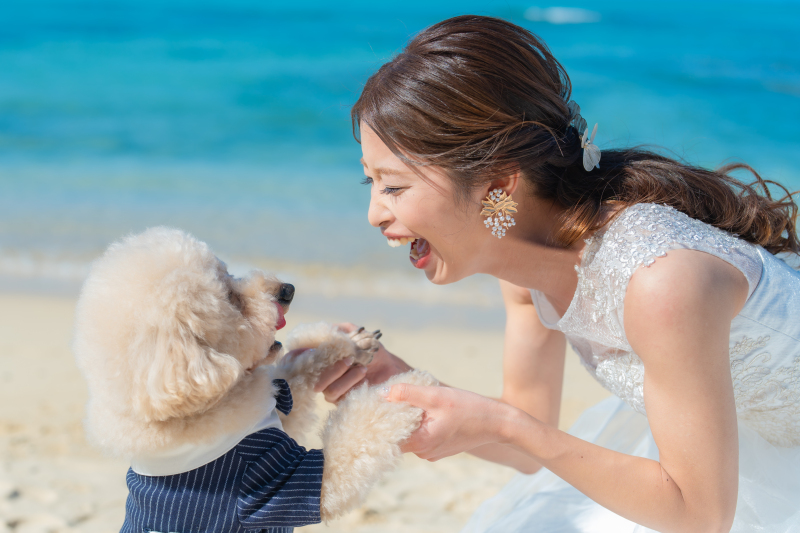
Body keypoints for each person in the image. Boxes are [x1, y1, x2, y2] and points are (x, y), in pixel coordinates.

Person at [308, 15, 800, 532]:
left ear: (498, 183)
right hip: (720, 451)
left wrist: (505, 424)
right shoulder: (522, 272)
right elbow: (529, 434)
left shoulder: (661, 280)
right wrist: (403, 381)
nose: (374, 215)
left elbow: (700, 517)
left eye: (394, 187)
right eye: (370, 180)